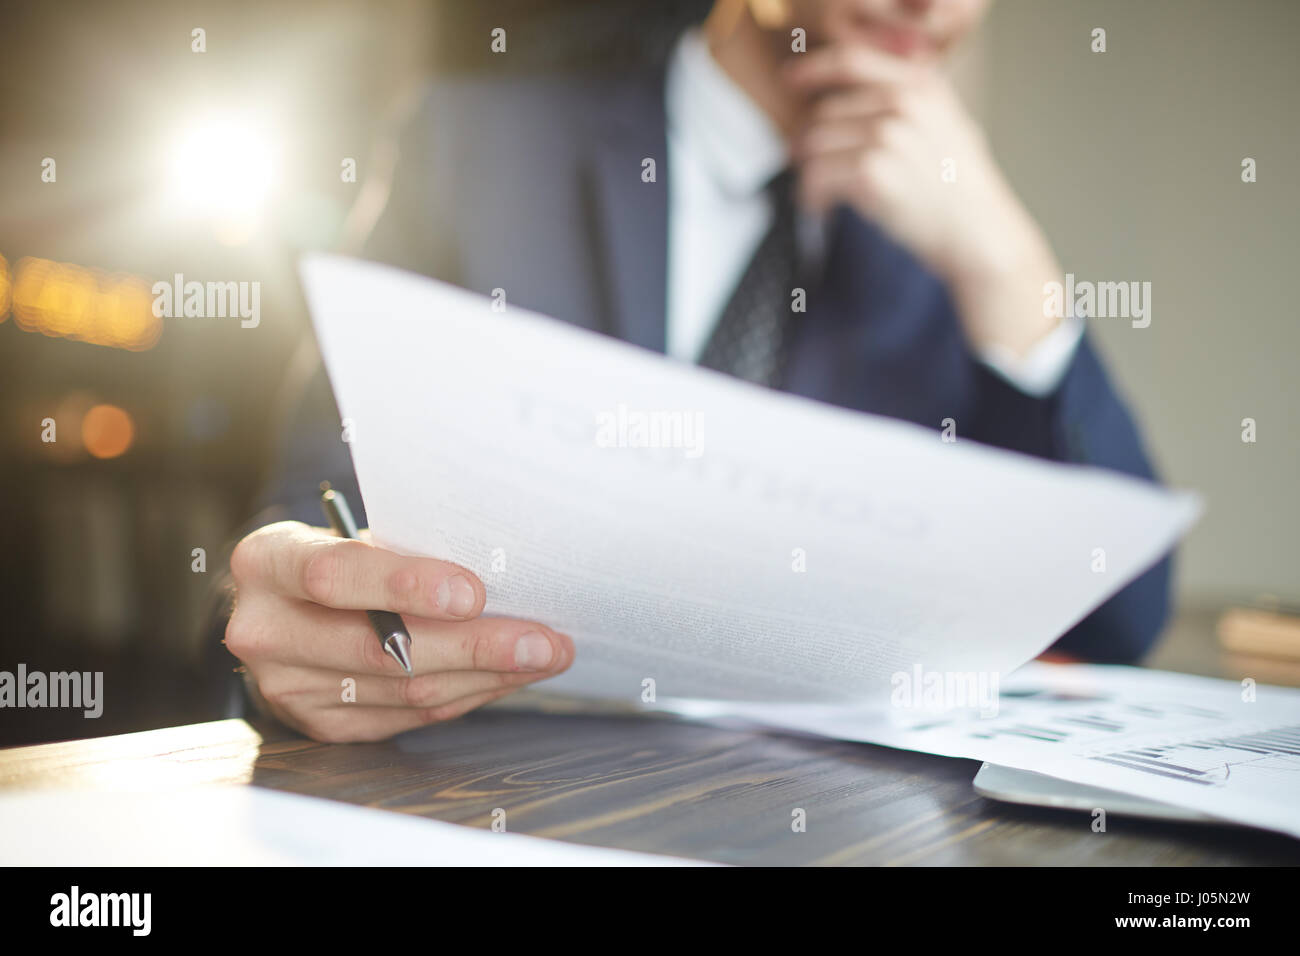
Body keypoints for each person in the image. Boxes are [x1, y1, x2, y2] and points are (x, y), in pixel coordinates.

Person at [223, 0, 1171, 743]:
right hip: (477, 795)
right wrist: (296, 613)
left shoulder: (958, 260)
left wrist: (1011, 272)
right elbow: (310, 511)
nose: (932, 2)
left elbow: (1125, 625)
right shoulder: (471, 149)